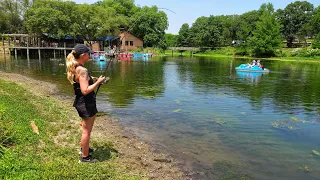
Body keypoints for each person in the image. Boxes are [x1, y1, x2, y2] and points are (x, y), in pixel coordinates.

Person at [66, 44, 106, 163]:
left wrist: (93, 80)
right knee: (87, 131)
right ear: (83, 55)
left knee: (85, 129)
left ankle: (84, 148)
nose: (90, 55)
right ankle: (85, 157)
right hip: (85, 102)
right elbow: (84, 90)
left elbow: (83, 81)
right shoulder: (82, 70)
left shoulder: (76, 67)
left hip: (81, 102)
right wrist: (98, 82)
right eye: (88, 54)